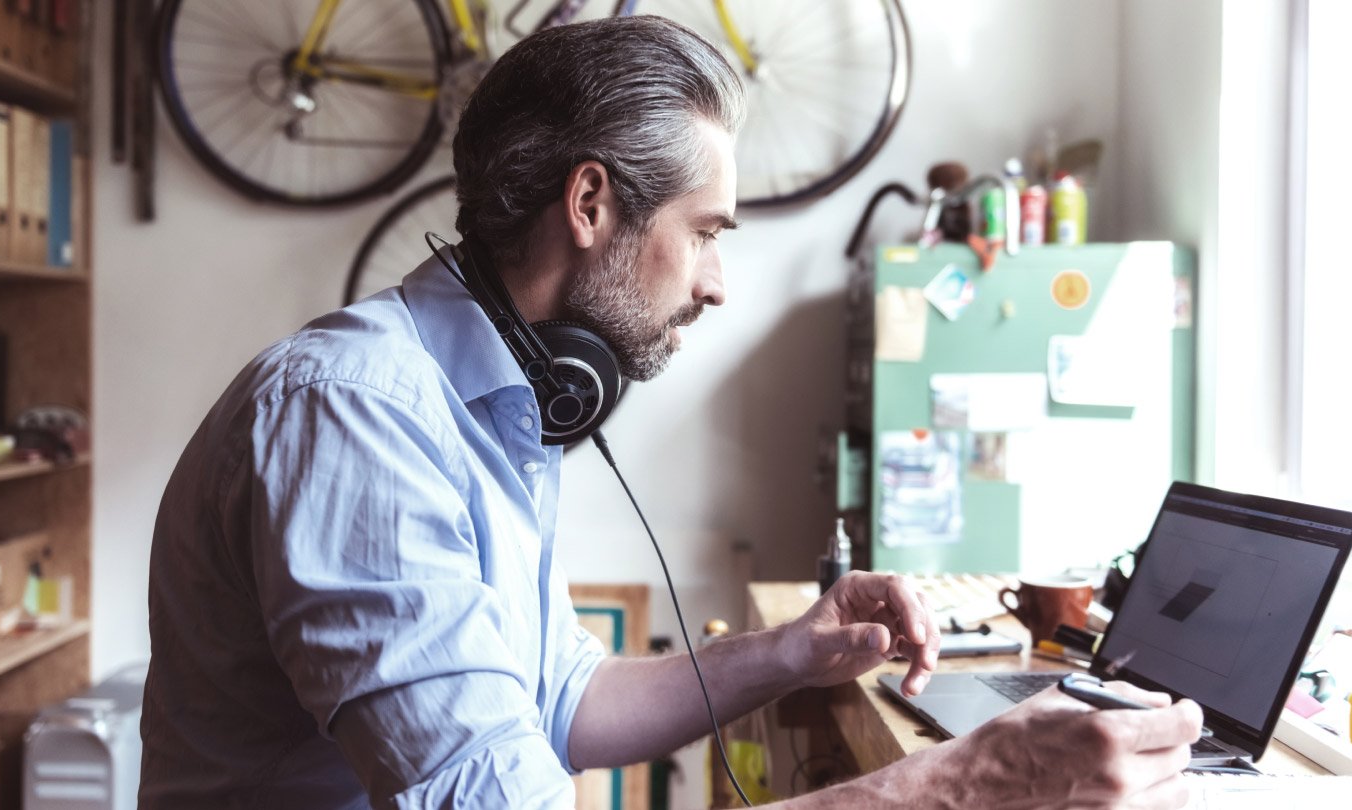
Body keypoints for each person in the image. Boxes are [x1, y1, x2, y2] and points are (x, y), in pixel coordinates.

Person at [139, 16, 1202, 810]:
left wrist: (794, 650)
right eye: (705, 233)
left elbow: (561, 700)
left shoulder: (499, 401)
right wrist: (965, 782)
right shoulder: (357, 419)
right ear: (590, 204)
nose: (718, 282)